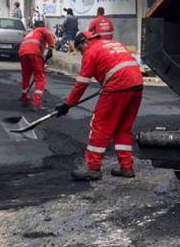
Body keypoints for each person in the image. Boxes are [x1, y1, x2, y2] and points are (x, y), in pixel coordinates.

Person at [57, 31, 143, 181]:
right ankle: (126, 167)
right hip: (137, 84)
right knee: (123, 128)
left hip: (118, 86)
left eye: (80, 49)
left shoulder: (90, 52)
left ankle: (93, 169)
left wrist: (67, 104)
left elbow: (81, 83)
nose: (81, 53)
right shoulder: (112, 43)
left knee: (100, 126)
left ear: (85, 42)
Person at [18, 20, 56, 109]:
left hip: (22, 53)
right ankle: (36, 103)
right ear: (43, 25)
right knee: (40, 78)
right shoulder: (43, 29)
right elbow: (49, 34)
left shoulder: (30, 33)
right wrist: (51, 48)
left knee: (26, 76)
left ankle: (24, 97)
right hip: (34, 53)